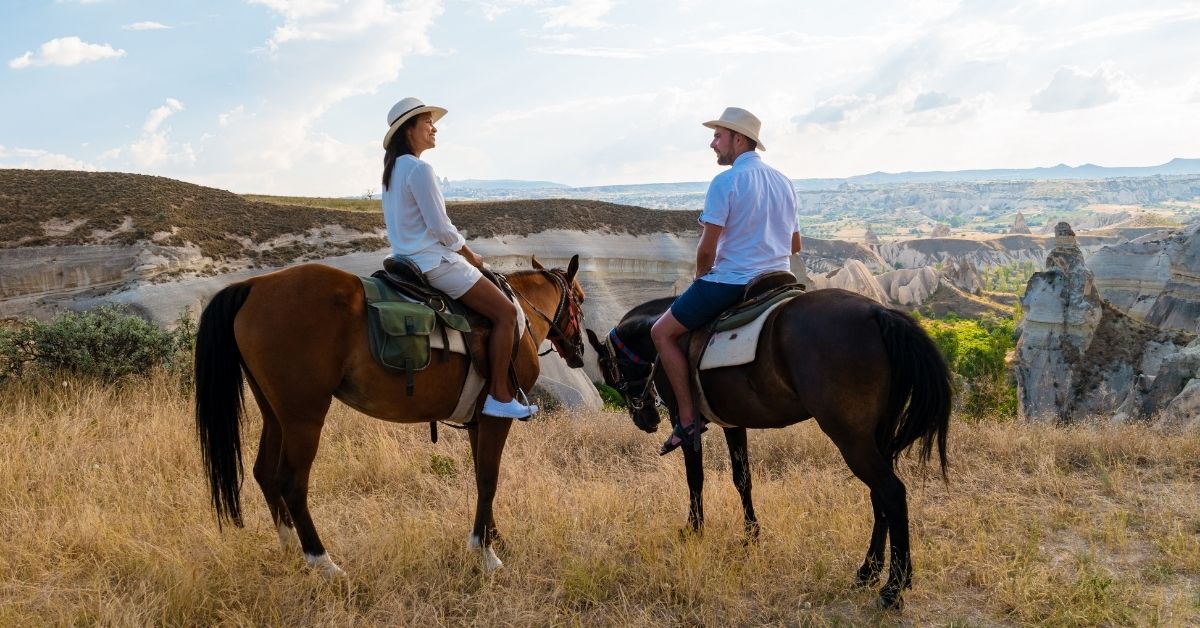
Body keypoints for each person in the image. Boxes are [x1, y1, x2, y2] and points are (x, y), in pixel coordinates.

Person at [651, 106, 800, 454]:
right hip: (780, 279)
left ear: (739, 139)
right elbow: (795, 244)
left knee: (661, 332)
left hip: (734, 280)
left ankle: (688, 419)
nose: (712, 143)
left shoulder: (726, 182)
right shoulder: (784, 182)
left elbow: (707, 249)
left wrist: (700, 279)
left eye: (718, 136)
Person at [381, 97, 536, 419]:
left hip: (403, 260)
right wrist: (471, 255)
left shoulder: (393, 171)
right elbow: (441, 228)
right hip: (432, 262)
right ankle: (499, 395)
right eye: (427, 122)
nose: (434, 128)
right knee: (506, 313)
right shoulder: (420, 169)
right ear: (409, 129)